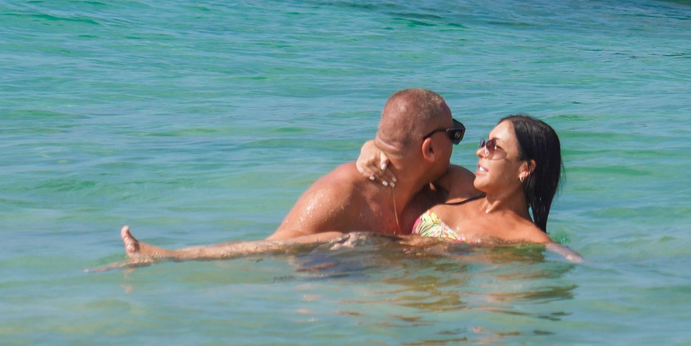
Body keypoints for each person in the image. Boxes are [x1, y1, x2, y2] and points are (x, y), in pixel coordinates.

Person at [117, 88, 472, 265]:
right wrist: (175, 256)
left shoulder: (437, 189)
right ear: (429, 149)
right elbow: (270, 248)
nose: (459, 143)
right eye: (454, 135)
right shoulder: (342, 192)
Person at [407, 115, 564, 248]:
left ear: (525, 168)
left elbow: (570, 260)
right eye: (485, 143)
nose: (480, 152)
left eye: (494, 146)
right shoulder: (462, 185)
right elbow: (409, 163)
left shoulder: (531, 239)